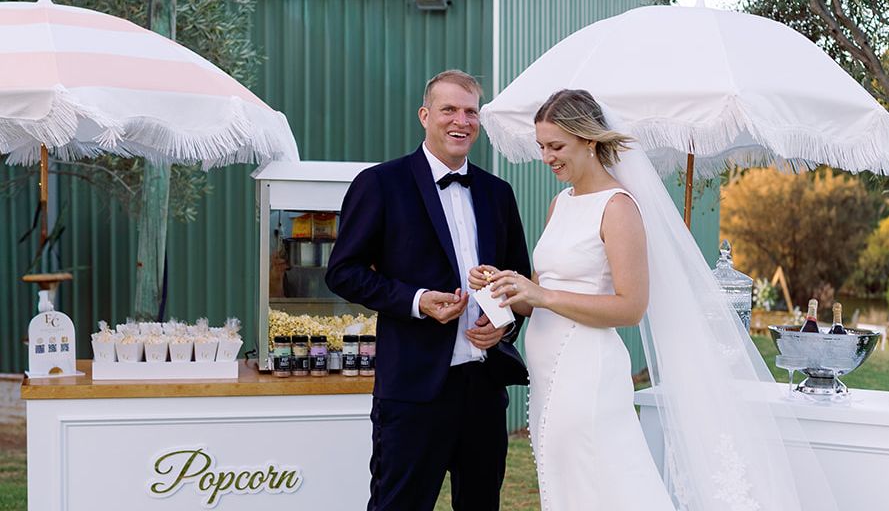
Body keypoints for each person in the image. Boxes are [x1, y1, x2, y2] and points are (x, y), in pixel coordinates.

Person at [473, 89, 839, 511]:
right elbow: (537, 293)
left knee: (596, 485)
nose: (547, 157)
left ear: (589, 140)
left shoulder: (619, 207)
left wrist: (543, 293)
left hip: (585, 370)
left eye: (556, 146)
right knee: (562, 482)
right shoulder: (561, 203)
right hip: (546, 369)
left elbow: (631, 306)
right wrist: (505, 284)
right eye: (541, 147)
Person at [325, 69, 531, 511]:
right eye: (449, 109)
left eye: (471, 111)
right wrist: (417, 301)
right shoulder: (380, 184)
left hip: (483, 389)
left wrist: (504, 325)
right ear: (425, 115)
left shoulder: (499, 194)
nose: (462, 120)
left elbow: (520, 281)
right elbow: (343, 271)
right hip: (413, 390)